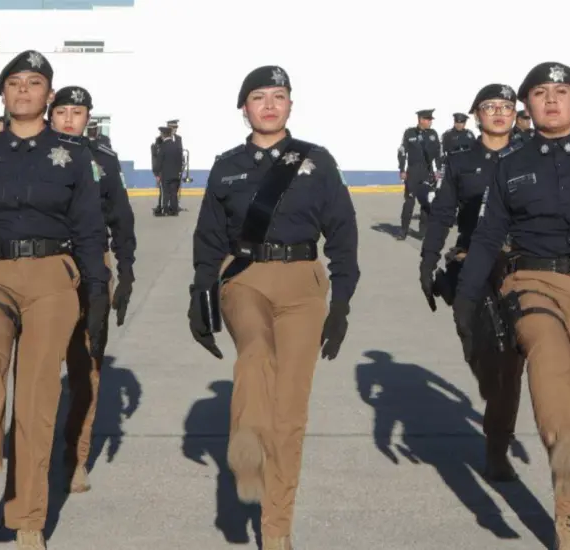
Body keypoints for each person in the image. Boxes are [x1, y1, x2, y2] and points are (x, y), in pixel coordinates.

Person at [0, 50, 110, 550]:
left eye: (34, 83)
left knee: (36, 401)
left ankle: (28, 519)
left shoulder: (74, 155)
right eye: (14, 83)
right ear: (3, 94)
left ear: (49, 95)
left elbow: (90, 231)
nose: (24, 90)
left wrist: (96, 292)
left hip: (54, 276)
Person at [189, 65, 359, 550]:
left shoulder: (317, 162)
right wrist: (199, 296)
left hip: (304, 284)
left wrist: (341, 299)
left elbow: (343, 231)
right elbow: (208, 238)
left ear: (290, 105)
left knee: (290, 413)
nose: (268, 104)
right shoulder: (226, 165)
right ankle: (246, 442)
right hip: (244, 279)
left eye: (278, 96)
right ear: (243, 107)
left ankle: (277, 527)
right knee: (256, 349)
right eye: (258, 96)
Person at [454, 62, 570, 549]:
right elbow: (488, 236)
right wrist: (466, 297)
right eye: (541, 93)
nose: (553, 100)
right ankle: (562, 460)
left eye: (562, 91)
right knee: (550, 375)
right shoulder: (510, 166)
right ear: (528, 106)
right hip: (532, 281)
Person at [420, 83, 525, 482]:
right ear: (476, 114)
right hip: (471, 266)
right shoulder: (461, 161)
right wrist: (427, 262)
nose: (499, 112)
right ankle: (489, 380)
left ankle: (497, 447)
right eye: (489, 106)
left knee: (511, 363)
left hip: (517, 264)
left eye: (506, 106)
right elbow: (443, 213)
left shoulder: (529, 155)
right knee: (483, 354)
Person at [47, 85, 137, 493]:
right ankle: (32, 446)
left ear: (89, 118)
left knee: (87, 365)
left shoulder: (102, 160)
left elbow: (122, 219)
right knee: (39, 366)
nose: (69, 118)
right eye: (62, 110)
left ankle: (76, 456)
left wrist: (127, 271)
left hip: (93, 267)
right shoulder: (32, 156)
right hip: (44, 267)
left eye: (77, 112)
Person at [397, 109, 442, 239]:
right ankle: (403, 231)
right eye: (428, 119)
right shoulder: (409, 132)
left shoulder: (433, 134)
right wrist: (402, 169)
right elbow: (402, 151)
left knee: (426, 203)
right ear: (421, 119)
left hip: (427, 172)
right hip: (413, 171)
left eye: (431, 120)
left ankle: (422, 232)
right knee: (409, 202)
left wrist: (438, 170)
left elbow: (438, 153)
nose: (430, 122)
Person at [155, 124, 183, 216]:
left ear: (163, 135)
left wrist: (157, 174)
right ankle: (174, 210)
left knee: (165, 192)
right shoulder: (177, 146)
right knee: (174, 192)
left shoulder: (163, 147)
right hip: (175, 174)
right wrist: (179, 171)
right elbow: (180, 160)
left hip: (166, 174)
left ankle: (165, 210)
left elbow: (159, 161)